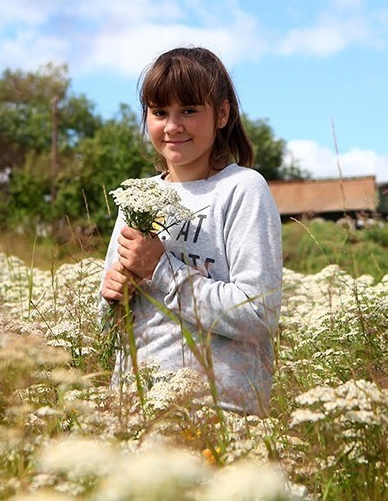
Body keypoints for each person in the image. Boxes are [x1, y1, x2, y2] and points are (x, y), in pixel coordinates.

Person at [99, 46, 283, 416]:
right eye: (159, 112)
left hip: (220, 412)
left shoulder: (242, 189)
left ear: (222, 114)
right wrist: (112, 298)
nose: (172, 126)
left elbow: (258, 315)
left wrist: (160, 270)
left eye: (189, 110)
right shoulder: (137, 197)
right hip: (136, 406)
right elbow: (109, 327)